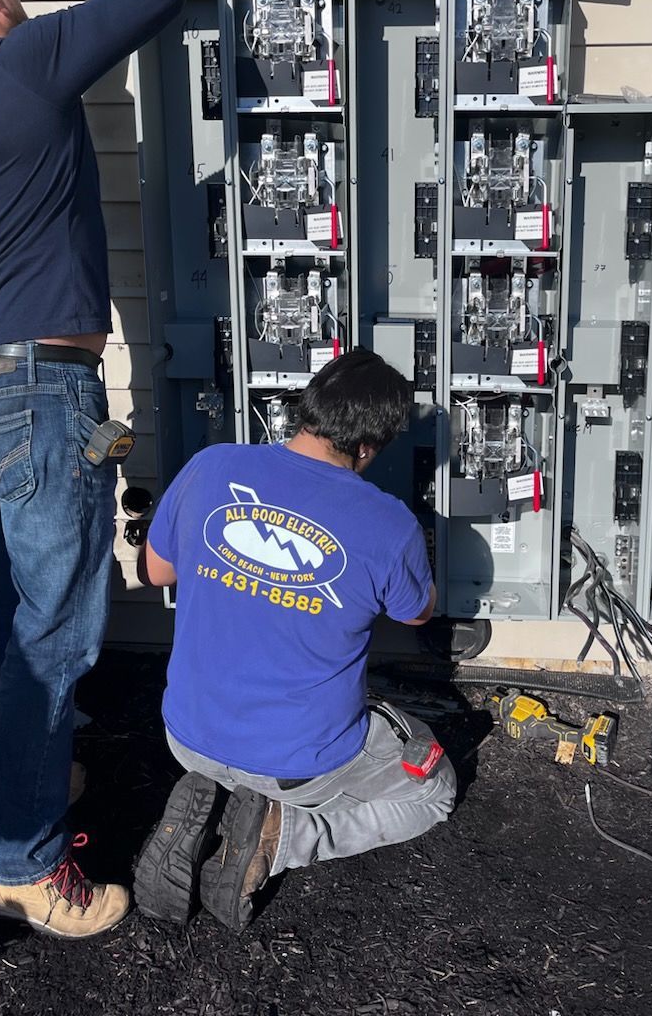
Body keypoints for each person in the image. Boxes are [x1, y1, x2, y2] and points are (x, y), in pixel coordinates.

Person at [0, 0, 192, 938]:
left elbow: (101, 14)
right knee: (55, 633)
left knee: (3, 623)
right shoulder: (23, 64)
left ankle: (7, 804)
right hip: (36, 393)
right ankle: (21, 865)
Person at [135, 349, 457, 931]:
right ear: (368, 447)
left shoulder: (211, 466)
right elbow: (417, 614)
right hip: (299, 765)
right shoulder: (389, 523)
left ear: (308, 406)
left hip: (186, 736)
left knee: (230, 755)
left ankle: (216, 802)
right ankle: (282, 832)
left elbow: (156, 572)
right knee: (434, 787)